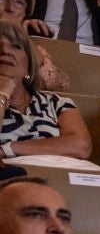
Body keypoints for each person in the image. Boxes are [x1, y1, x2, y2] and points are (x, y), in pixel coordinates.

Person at [0, 19, 90, 167]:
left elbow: (81, 146)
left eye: (16, 46)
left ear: (28, 64)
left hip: (64, 176)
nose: (5, 51)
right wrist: (2, 94)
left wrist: (7, 148)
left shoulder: (57, 102)